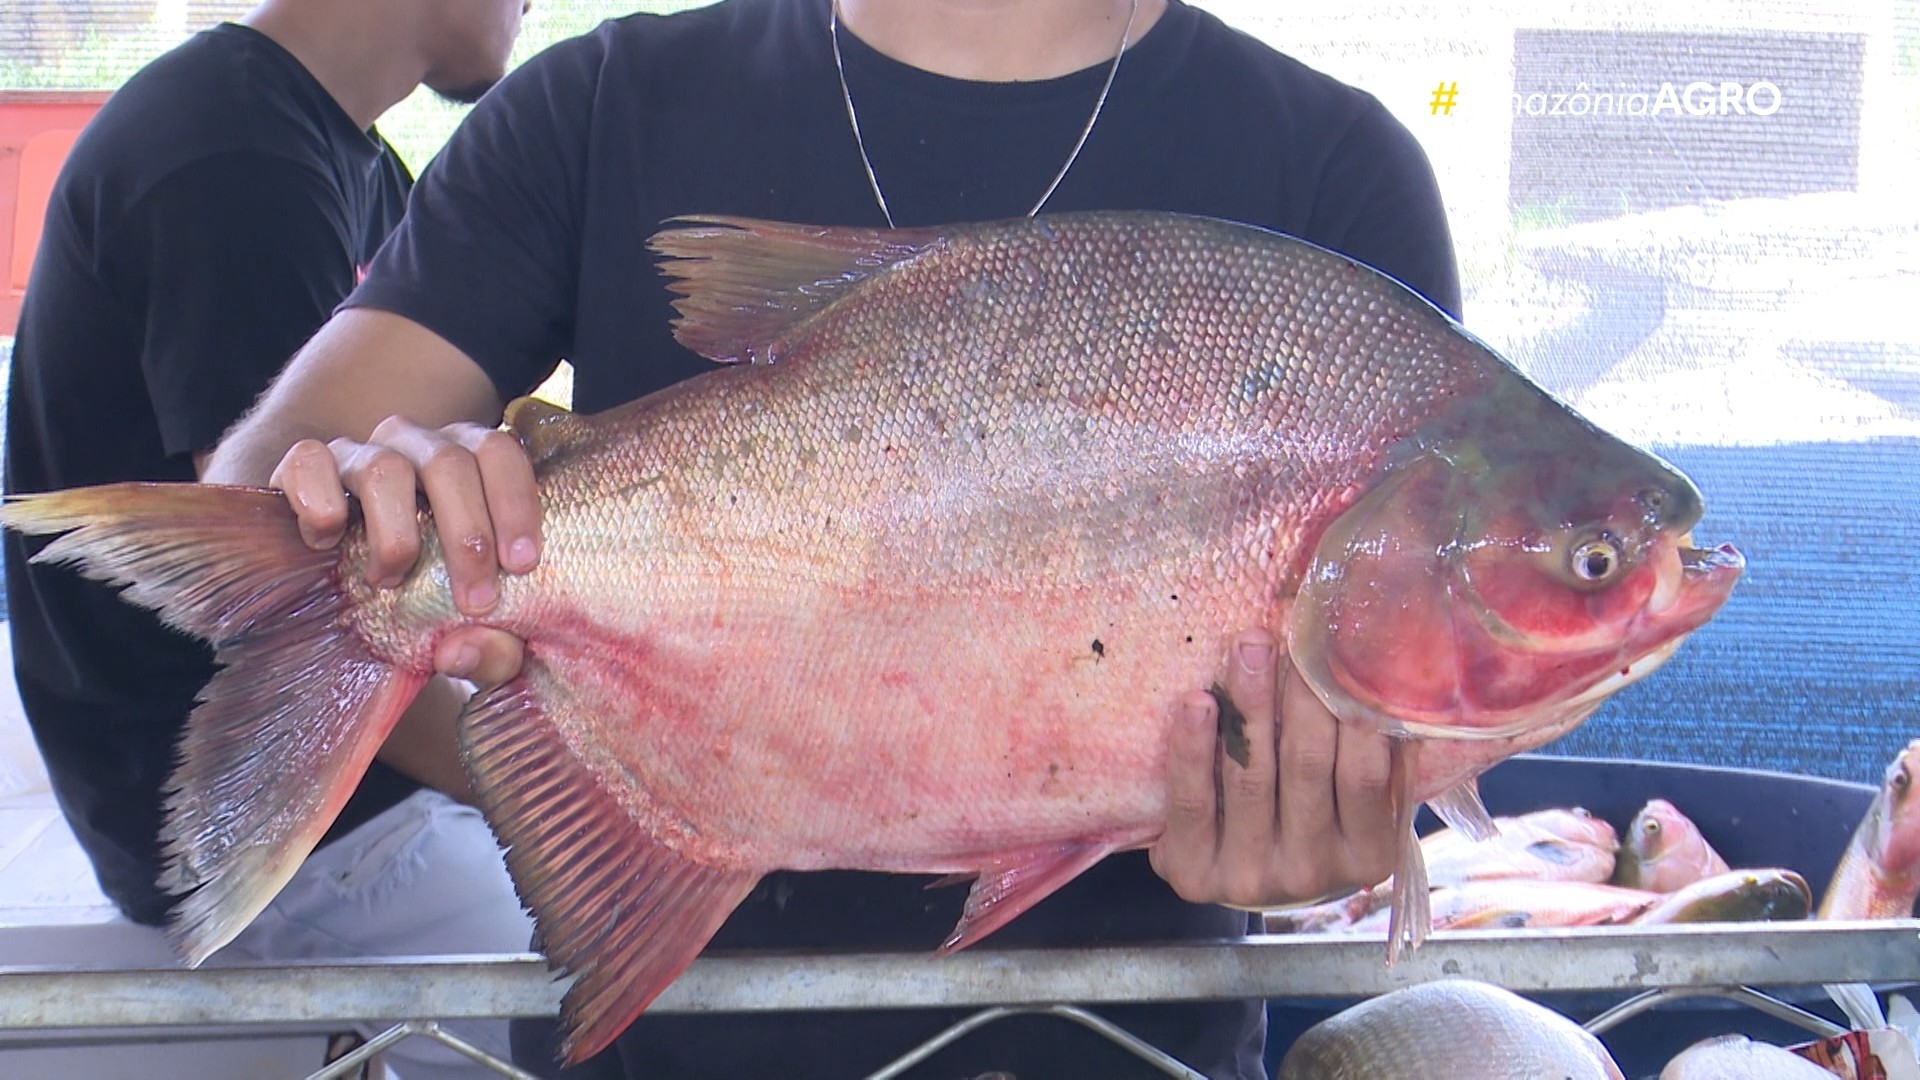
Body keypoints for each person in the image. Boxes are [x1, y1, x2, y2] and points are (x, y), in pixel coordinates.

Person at [205, 0, 1461, 1075]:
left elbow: (1419, 674)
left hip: (1116, 1051)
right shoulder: (600, 103)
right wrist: (377, 506)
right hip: (667, 1048)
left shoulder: (1333, 167)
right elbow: (273, 483)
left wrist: (1316, 841)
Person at [3, 1, 535, 1076]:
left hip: (341, 779)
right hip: (250, 808)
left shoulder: (346, 162)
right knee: (648, 1000)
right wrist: (567, 780)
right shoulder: (228, 155)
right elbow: (307, 599)